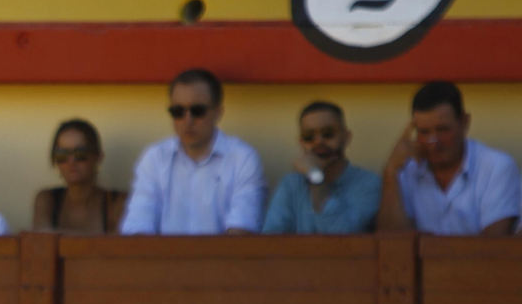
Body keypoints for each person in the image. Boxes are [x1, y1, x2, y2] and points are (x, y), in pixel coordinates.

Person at [119, 69, 266, 235]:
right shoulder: (155, 158)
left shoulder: (243, 159)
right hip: (164, 260)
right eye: (178, 112)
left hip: (223, 260)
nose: (187, 121)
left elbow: (241, 230)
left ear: (218, 112)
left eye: (197, 111)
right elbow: (138, 227)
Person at [378, 81, 520, 237]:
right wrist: (390, 172)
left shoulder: (496, 167)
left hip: (475, 262)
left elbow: (493, 246)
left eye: (442, 130)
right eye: (424, 132)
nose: (433, 142)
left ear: (464, 122)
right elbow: (392, 244)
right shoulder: (406, 170)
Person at [262, 102, 382, 234]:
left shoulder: (369, 183)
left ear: (346, 136)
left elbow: (340, 239)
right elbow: (271, 240)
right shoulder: (290, 184)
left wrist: (316, 178)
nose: (319, 142)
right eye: (309, 136)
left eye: (328, 133)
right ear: (301, 143)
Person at [31, 119, 127, 234]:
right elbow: (41, 240)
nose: (71, 161)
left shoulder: (116, 203)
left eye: (81, 153)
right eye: (62, 154)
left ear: (97, 156)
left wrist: (56, 235)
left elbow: (120, 247)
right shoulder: (47, 199)